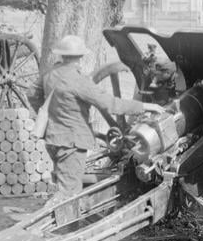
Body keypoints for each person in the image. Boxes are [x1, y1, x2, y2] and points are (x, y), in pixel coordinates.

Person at [42, 35, 165, 199]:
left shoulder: (50, 74)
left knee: (64, 182)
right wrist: (145, 106)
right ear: (79, 57)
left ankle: (62, 211)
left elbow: (33, 95)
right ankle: (62, 222)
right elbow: (111, 104)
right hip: (71, 143)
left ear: (62, 55)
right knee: (68, 195)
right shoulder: (79, 81)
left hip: (52, 140)